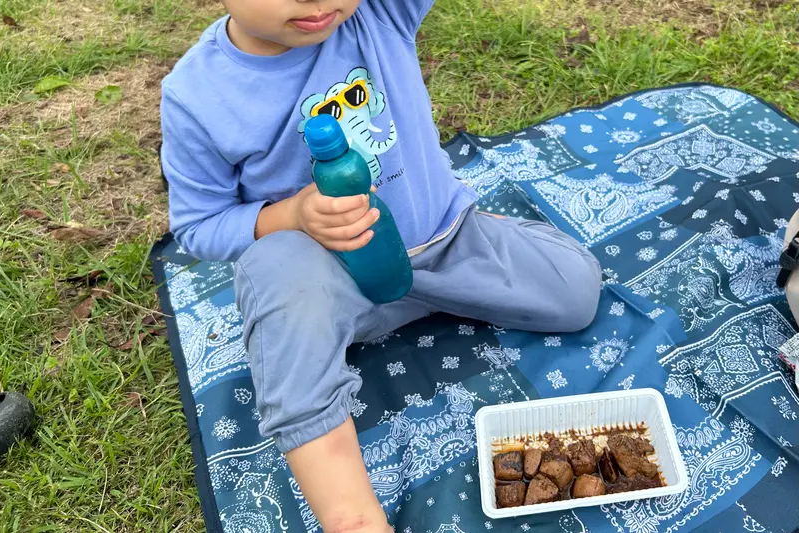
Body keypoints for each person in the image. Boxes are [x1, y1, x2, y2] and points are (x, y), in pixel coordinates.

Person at [160, 1, 602, 531]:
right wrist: (294, 214)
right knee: (274, 269)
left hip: (444, 245)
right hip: (336, 279)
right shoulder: (196, 95)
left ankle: (462, 263)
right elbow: (199, 224)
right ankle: (351, 515)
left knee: (576, 291)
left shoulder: (378, 16)